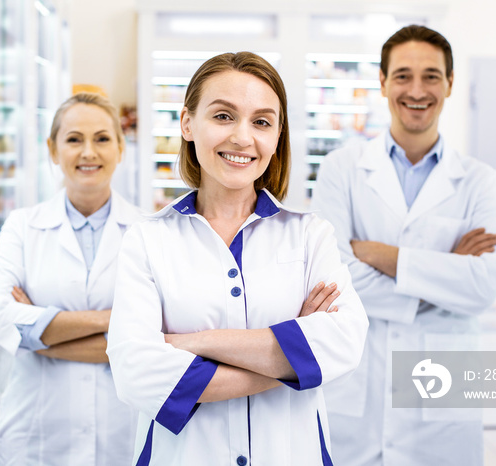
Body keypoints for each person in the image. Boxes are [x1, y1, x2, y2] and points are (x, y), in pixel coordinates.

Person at [106, 52, 369, 466]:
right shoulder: (148, 240)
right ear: (187, 124)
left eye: (261, 122)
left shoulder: (309, 235)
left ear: (277, 135)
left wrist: (195, 344)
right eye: (224, 116)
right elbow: (135, 373)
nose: (243, 138)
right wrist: (290, 359)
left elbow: (344, 342)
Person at [312, 25, 496, 465]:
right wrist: (444, 272)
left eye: (431, 76)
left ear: (450, 84)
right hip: (357, 390)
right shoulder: (341, 169)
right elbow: (331, 280)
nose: (417, 90)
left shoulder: (479, 181)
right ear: (383, 83)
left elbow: (482, 285)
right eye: (403, 75)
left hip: (443, 394)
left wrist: (380, 255)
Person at [0, 92, 141, 465]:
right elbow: (2, 320)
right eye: (74, 140)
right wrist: (114, 319)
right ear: (53, 150)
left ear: (120, 148)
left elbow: (159, 340)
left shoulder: (148, 232)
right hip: (38, 433)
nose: (88, 152)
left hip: (121, 430)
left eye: (102, 139)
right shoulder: (22, 227)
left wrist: (40, 334)